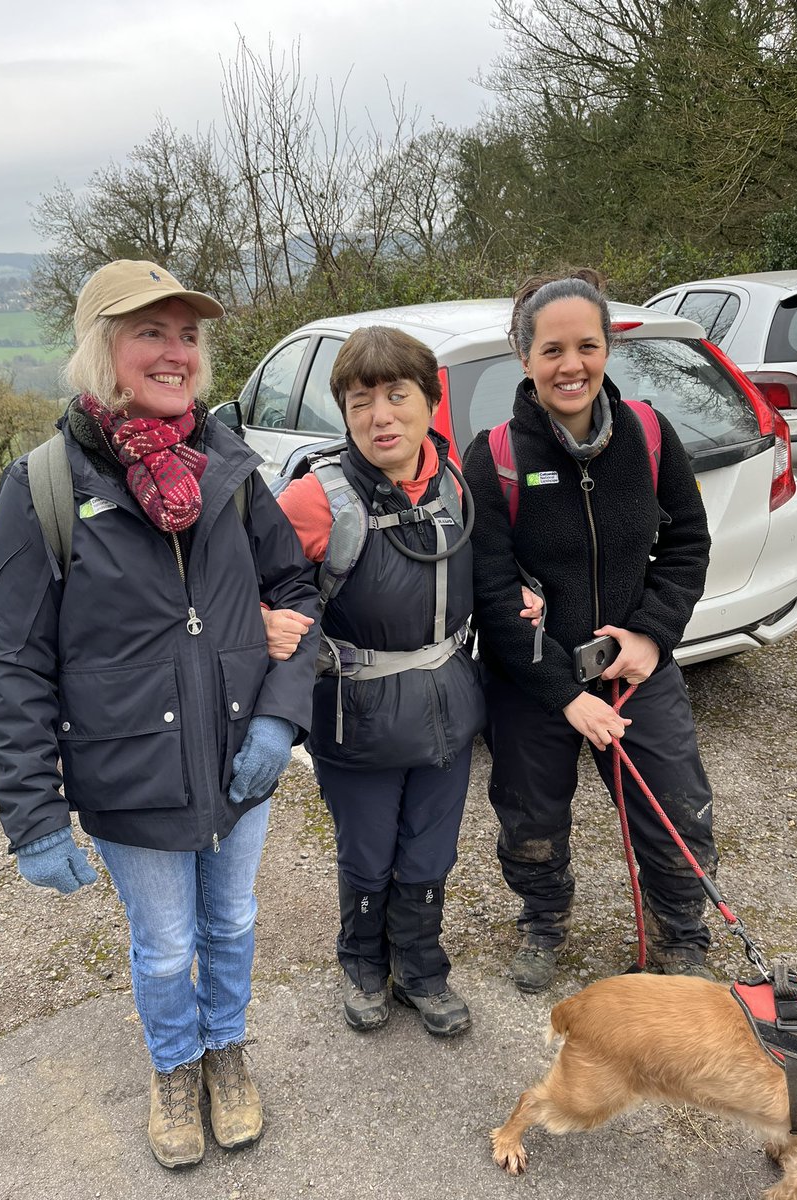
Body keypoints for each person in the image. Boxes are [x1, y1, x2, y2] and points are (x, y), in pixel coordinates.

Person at [0, 260, 320, 1169]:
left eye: (189, 335)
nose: (176, 353)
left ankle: (226, 1047)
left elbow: (295, 589)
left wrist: (282, 719)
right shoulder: (41, 487)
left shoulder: (232, 468)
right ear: (103, 348)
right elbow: (12, 662)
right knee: (166, 946)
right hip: (130, 775)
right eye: (150, 333)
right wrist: (33, 814)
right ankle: (177, 1064)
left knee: (235, 924)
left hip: (241, 756)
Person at [275, 326, 541, 1037]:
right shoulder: (313, 502)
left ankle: (421, 968)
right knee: (367, 852)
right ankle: (363, 963)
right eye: (361, 402)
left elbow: (482, 575)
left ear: (431, 400)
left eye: (398, 395)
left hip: (448, 711)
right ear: (345, 413)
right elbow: (248, 584)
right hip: (355, 719)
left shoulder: (456, 484)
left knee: (431, 850)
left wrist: (520, 597)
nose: (380, 416)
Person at [463, 270, 719, 994]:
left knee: (676, 811)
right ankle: (543, 923)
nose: (570, 365)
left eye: (586, 346)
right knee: (530, 819)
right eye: (551, 350)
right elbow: (488, 588)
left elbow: (688, 543)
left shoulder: (648, 434)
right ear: (525, 357)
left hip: (635, 671)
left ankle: (681, 935)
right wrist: (560, 692)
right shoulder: (495, 458)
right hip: (533, 681)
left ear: (606, 347)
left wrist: (652, 636)